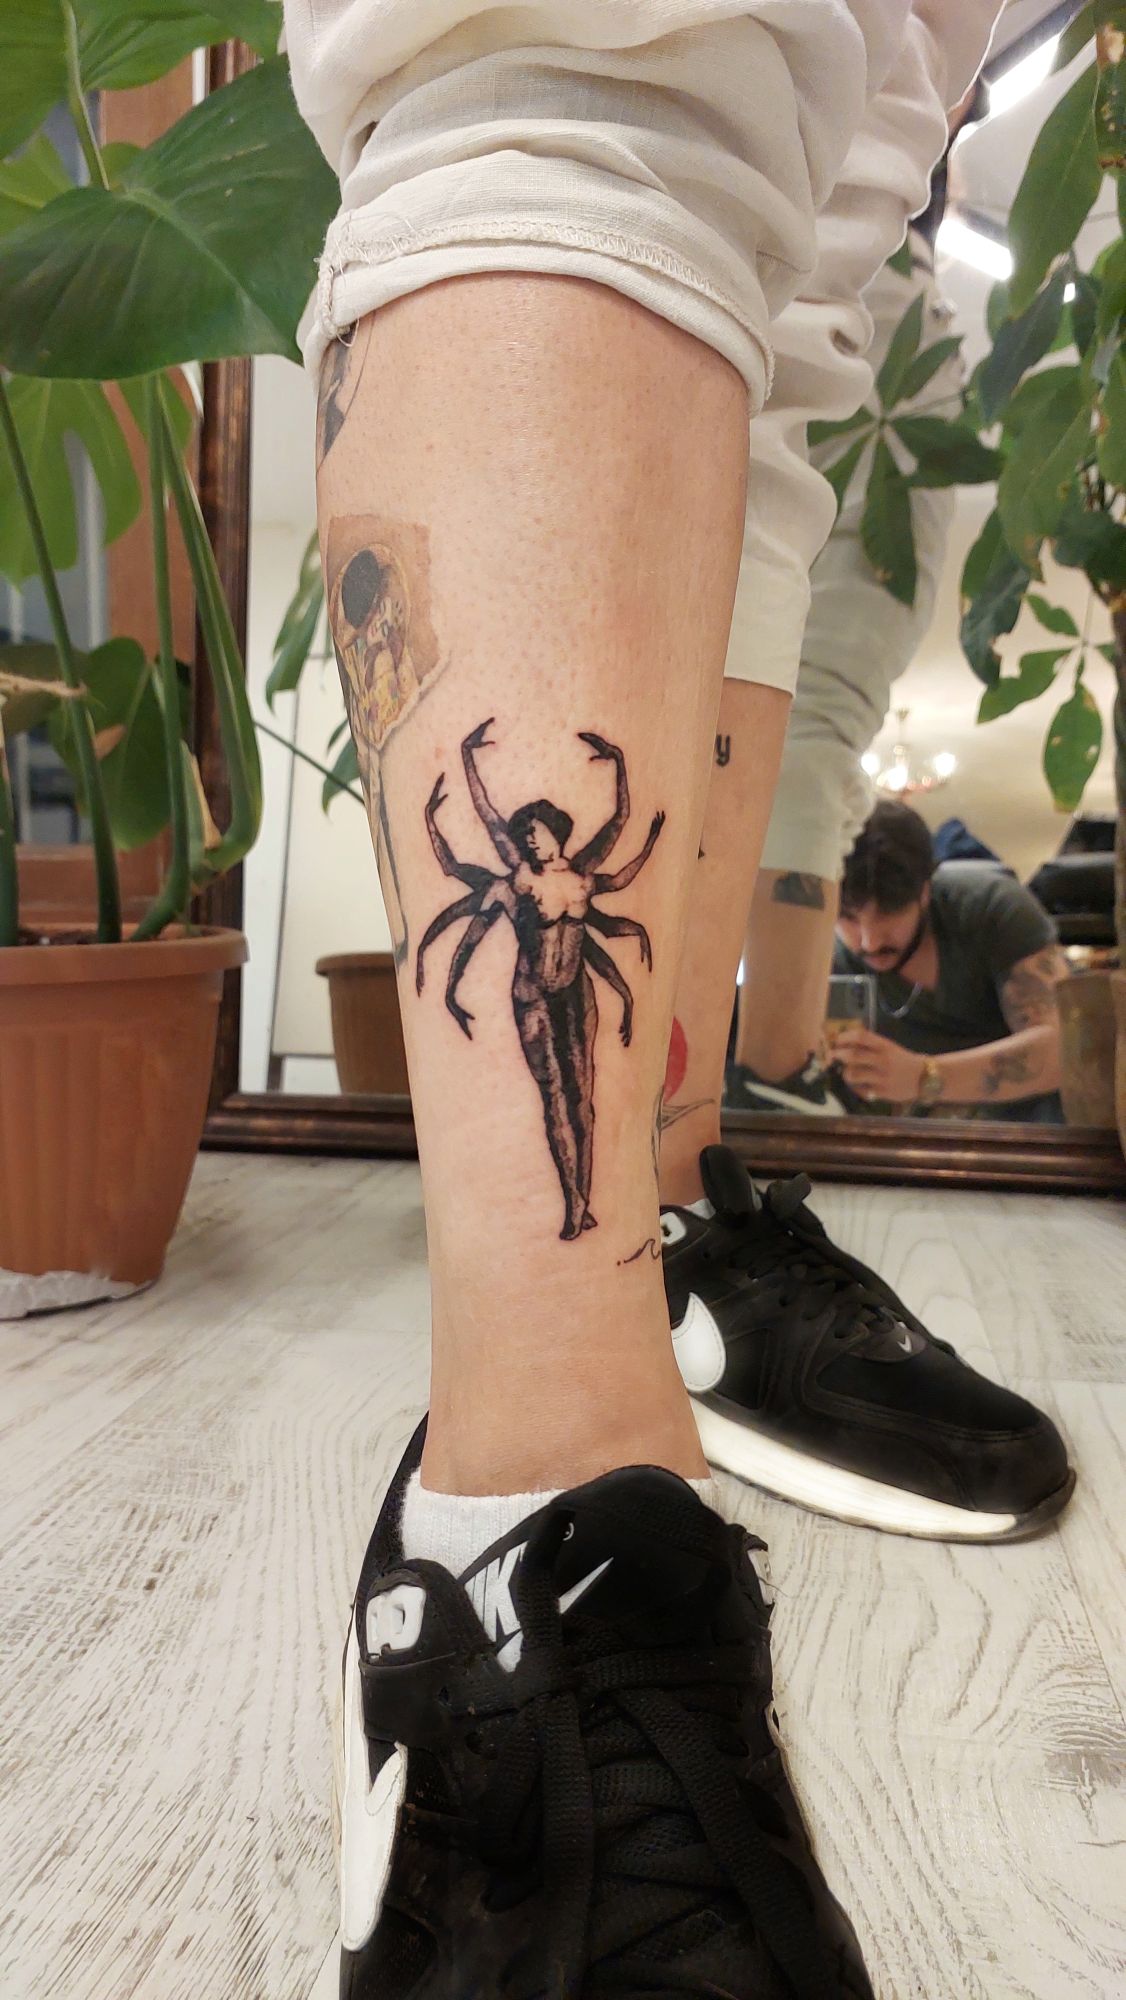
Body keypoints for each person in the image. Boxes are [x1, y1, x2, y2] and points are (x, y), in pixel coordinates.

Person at [284, 4, 1073, 1993]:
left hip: (567, 952)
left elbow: (542, 849)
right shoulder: (525, 865)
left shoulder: (537, 868)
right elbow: (496, 845)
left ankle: (665, 1204)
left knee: (822, 215)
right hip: (539, 951)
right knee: (606, 33)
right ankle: (528, 1463)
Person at [830, 800, 1067, 1119]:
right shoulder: (824, 953)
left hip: (1042, 1130)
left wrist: (921, 1077)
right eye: (848, 917)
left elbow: (1061, 1049)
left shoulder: (993, 908)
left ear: (925, 891)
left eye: (890, 911)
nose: (869, 940)